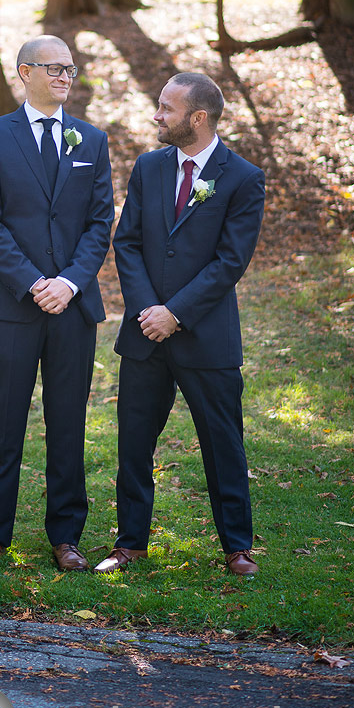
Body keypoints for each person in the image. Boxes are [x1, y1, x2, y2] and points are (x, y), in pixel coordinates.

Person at [96, 72, 265, 577]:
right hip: (146, 335)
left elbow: (230, 262)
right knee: (133, 444)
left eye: (166, 108)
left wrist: (177, 313)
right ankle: (130, 543)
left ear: (198, 118)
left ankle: (236, 545)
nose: (156, 115)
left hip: (206, 337)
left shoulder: (242, 177)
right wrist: (150, 311)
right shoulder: (148, 168)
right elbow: (126, 242)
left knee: (222, 444)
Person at [0, 35, 113, 571]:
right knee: (4, 422)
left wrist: (69, 283)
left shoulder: (91, 140)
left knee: (68, 421)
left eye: (71, 70)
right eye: (54, 68)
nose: (65, 77)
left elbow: (100, 223)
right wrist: (34, 283)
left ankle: (66, 536)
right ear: (24, 72)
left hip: (72, 307)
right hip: (11, 305)